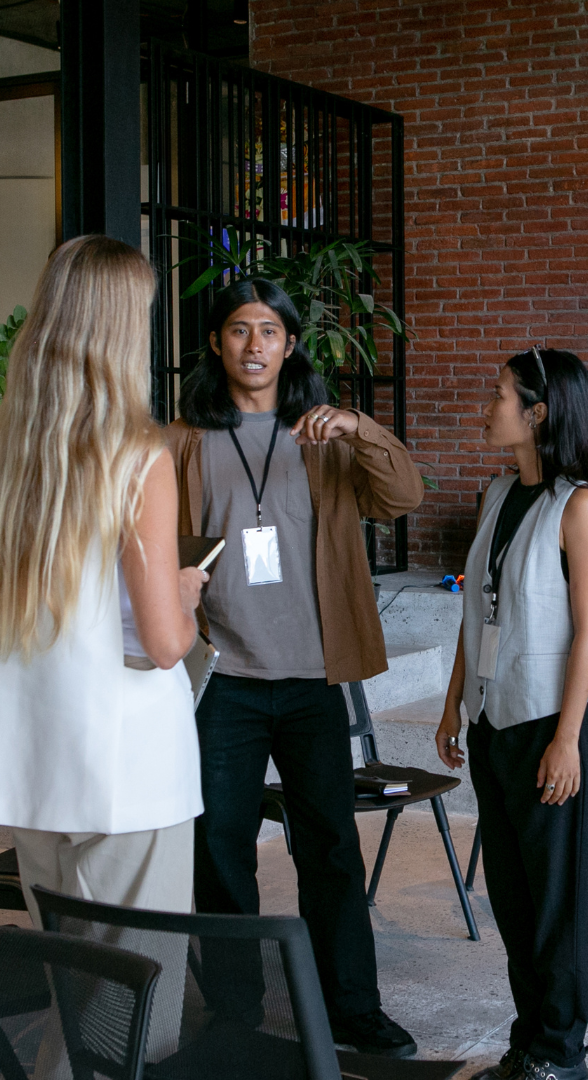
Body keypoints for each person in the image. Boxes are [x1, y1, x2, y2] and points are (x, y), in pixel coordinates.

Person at [164, 277, 424, 1057]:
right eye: (239, 330)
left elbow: (403, 495)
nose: (254, 345)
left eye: (269, 331)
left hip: (312, 679)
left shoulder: (325, 434)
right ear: (216, 343)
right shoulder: (182, 441)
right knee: (221, 851)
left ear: (289, 344)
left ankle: (353, 1006)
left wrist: (359, 426)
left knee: (331, 848)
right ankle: (237, 1012)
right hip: (225, 682)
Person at [0, 234, 206, 926]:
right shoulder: (137, 458)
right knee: (135, 999)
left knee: (72, 978)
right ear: (125, 330)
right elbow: (165, 645)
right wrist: (181, 597)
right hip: (128, 763)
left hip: (29, 755)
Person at [436, 348, 588, 1080]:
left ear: (537, 412)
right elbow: (476, 612)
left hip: (556, 722)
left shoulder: (580, 506)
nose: (489, 406)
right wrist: (454, 700)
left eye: (500, 395)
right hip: (495, 717)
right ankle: (530, 1040)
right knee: (513, 897)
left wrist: (570, 739)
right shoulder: (497, 493)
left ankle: (562, 1055)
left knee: (558, 905)